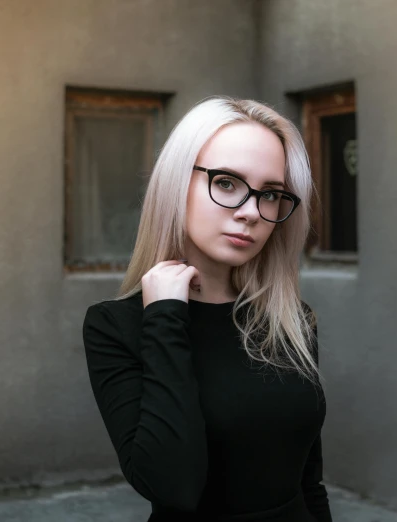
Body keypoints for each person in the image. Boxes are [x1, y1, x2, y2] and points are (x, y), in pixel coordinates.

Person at [81, 95, 331, 521]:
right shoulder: (117, 326)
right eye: (227, 182)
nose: (251, 212)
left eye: (270, 194)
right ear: (177, 184)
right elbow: (172, 484)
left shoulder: (289, 319)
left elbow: (309, 480)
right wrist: (164, 318)